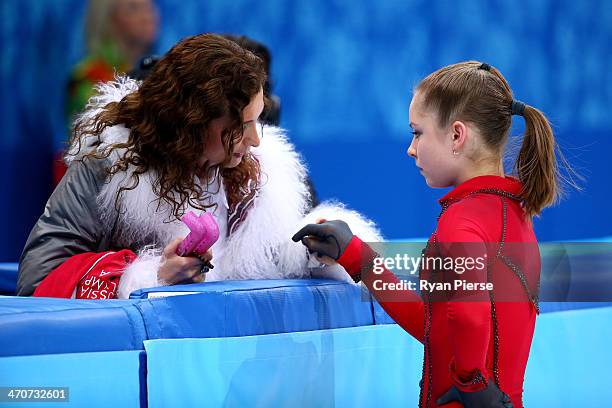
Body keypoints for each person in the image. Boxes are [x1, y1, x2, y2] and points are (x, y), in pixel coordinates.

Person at [17, 33, 381, 299]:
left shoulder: (266, 173)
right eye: (240, 126)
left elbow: (271, 260)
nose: (256, 139)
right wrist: (151, 276)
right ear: (194, 122)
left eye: (259, 121)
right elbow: (39, 279)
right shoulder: (111, 167)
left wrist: (312, 249)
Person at [293, 61, 563, 407]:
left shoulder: (460, 220)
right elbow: (435, 327)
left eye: (417, 133)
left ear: (456, 135)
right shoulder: (517, 213)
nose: (411, 148)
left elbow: (469, 313)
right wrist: (360, 258)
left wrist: (470, 380)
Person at [55, 0, 159, 186]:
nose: (148, 15)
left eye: (149, 7)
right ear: (108, 20)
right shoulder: (88, 78)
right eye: (133, 8)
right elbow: (96, 147)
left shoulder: (153, 73)